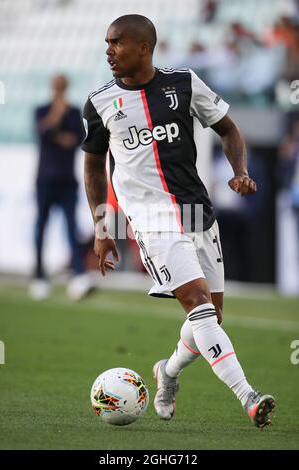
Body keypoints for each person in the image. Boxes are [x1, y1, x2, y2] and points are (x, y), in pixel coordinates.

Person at [82, 14, 276, 429]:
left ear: (143, 47)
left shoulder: (184, 84)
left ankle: (167, 372)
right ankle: (249, 397)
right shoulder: (100, 102)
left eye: (116, 43)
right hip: (151, 219)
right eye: (107, 43)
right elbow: (94, 166)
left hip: (197, 212)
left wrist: (239, 170)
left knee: (210, 317)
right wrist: (103, 227)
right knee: (198, 307)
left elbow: (228, 129)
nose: (108, 51)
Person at [30, 74, 95, 301]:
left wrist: (56, 135)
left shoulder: (74, 112)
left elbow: (76, 140)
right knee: (41, 228)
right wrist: (57, 117)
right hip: (45, 179)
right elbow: (44, 133)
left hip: (67, 180)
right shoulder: (42, 110)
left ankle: (78, 275)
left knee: (71, 227)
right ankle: (39, 276)